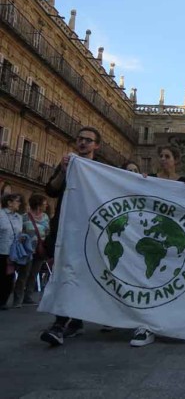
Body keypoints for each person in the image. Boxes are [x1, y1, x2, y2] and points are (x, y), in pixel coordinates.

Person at [40, 127, 103, 346]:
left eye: (88, 140)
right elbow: (51, 190)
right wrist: (63, 171)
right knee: (65, 272)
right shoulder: (67, 163)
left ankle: (71, 323)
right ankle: (62, 324)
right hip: (64, 228)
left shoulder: (100, 169)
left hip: (89, 231)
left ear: (96, 145)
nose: (83, 142)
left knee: (78, 274)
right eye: (80, 139)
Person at [13, 194, 50, 307]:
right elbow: (20, 232)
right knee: (24, 274)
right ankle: (17, 300)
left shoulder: (45, 217)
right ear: (38, 204)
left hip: (40, 251)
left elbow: (48, 232)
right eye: (44, 203)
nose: (46, 205)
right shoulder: (25, 217)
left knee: (34, 274)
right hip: (27, 251)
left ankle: (28, 296)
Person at [0, 193, 24, 310]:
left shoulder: (19, 217)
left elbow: (19, 232)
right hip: (1, 250)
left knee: (9, 278)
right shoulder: (1, 215)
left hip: (13, 252)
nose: (19, 203)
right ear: (9, 203)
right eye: (17, 201)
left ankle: (3, 301)